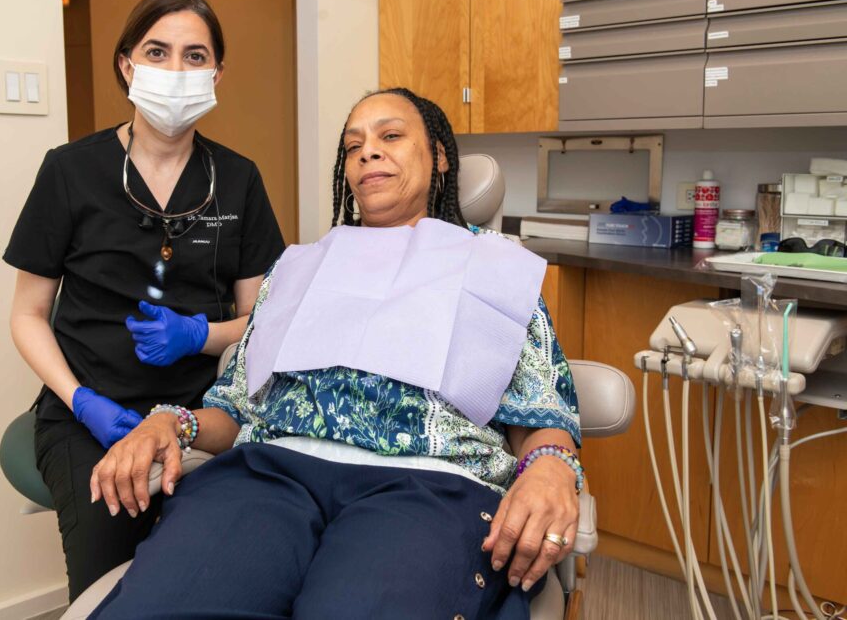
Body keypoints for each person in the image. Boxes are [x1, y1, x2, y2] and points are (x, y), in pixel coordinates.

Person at [86, 88, 581, 619]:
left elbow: (542, 415)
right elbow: (235, 410)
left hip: (430, 487)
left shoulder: (495, 267)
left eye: (391, 136)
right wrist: (170, 422)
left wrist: (550, 469)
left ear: (439, 155)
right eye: (353, 146)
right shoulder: (298, 270)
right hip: (268, 475)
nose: (368, 152)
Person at [3, 0, 285, 600]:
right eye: (157, 52)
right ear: (127, 65)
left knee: (227, 571)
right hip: (88, 415)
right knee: (113, 584)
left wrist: (200, 335)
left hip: (201, 416)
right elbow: (27, 315)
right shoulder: (69, 171)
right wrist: (81, 401)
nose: (176, 70)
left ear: (216, 74)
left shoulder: (237, 179)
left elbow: (266, 320)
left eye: (194, 56)